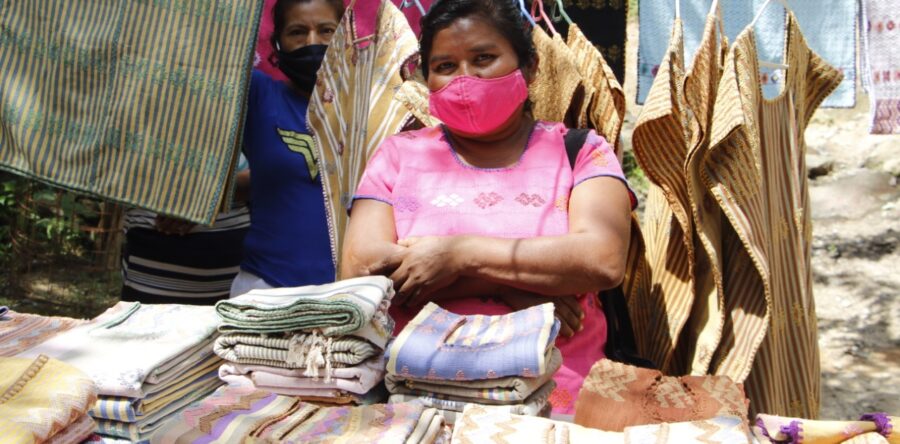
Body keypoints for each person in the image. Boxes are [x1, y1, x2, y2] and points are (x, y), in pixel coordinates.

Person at [342, 0, 636, 415]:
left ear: (529, 67)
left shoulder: (581, 152)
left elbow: (601, 260)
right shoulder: (398, 155)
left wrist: (458, 255)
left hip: (560, 402)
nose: (464, 79)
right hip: (415, 405)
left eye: (484, 58)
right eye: (445, 66)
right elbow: (358, 272)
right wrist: (506, 285)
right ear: (426, 78)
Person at [230, 0, 344, 297]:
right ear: (278, 43)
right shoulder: (258, 95)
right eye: (297, 32)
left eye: (326, 31)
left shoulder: (373, 111)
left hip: (351, 294)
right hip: (265, 289)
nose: (312, 42)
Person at [120, 156, 250, 305]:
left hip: (231, 287)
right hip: (148, 279)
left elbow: (270, 176)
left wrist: (205, 197)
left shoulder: (249, 133)